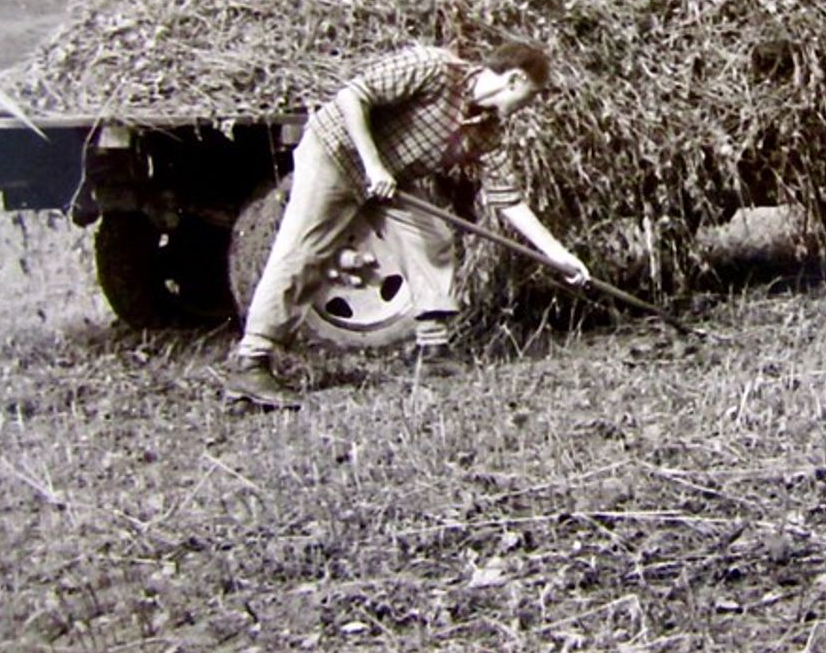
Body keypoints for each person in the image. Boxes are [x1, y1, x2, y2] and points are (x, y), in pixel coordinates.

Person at [223, 40, 590, 409]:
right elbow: (353, 96)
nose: (526, 107)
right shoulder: (432, 67)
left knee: (430, 236)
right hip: (336, 152)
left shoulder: (488, 132)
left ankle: (432, 350)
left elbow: (507, 201)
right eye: (529, 96)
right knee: (305, 250)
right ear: (513, 80)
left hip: (390, 173)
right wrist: (372, 165)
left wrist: (560, 256)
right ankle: (251, 362)